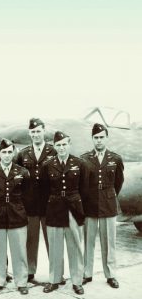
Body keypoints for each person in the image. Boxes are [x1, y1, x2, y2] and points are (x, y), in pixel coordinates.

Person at [40, 131, 87, 295]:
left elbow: (85, 189)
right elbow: (44, 190)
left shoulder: (80, 163)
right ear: (54, 146)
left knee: (75, 246)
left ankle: (77, 281)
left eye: (64, 144)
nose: (61, 148)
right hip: (54, 209)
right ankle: (54, 279)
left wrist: (82, 211)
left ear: (69, 144)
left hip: (73, 209)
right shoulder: (47, 165)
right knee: (54, 247)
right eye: (58, 145)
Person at [0, 138, 30, 295]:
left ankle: (22, 281)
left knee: (19, 251)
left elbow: (27, 194)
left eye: (10, 152)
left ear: (14, 153)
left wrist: (19, 207)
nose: (7, 155)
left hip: (17, 214)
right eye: (4, 152)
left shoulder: (22, 172)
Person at [81, 123, 124, 289]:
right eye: (96, 137)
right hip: (90, 204)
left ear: (107, 138)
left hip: (108, 204)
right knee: (88, 241)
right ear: (92, 139)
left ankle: (111, 274)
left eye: (101, 137)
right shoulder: (85, 158)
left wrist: (109, 195)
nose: (99, 140)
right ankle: (87, 273)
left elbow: (118, 182)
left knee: (109, 242)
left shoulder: (116, 159)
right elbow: (82, 183)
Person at [16, 118, 56, 284]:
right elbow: (18, 178)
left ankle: (56, 272)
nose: (36, 135)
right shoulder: (23, 154)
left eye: (38, 131)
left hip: (50, 204)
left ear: (44, 131)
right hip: (30, 204)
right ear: (29, 133)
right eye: (33, 132)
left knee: (52, 240)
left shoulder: (53, 151)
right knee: (30, 240)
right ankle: (30, 272)